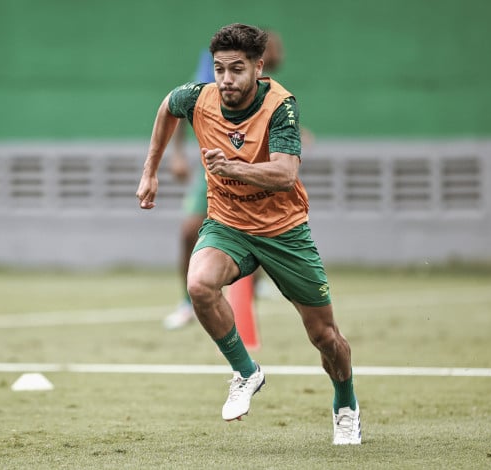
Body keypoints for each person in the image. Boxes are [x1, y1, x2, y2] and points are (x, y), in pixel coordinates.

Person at [136, 23, 361, 445]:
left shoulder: (281, 107)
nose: (226, 79)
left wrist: (233, 167)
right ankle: (245, 371)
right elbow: (167, 106)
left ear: (258, 68)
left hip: (284, 231)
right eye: (219, 69)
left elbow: (285, 173)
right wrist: (150, 172)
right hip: (229, 224)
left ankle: (346, 404)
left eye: (236, 69)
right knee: (199, 285)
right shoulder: (198, 97)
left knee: (324, 336)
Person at [163, 30, 285, 330]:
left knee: (257, 229)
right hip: (215, 167)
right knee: (190, 232)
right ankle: (188, 302)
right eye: (274, 50)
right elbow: (178, 108)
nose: (277, 57)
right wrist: (176, 156)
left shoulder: (269, 89)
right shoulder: (217, 72)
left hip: (253, 169)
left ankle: (254, 288)